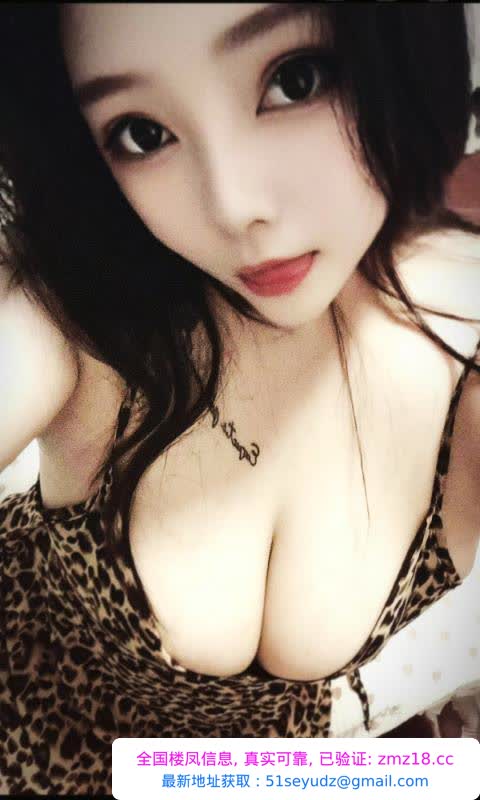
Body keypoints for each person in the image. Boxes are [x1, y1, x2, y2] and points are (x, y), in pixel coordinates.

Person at [1, 2, 479, 795]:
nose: (233, 207)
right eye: (142, 134)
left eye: (297, 79)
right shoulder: (76, 308)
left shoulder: (464, 357)